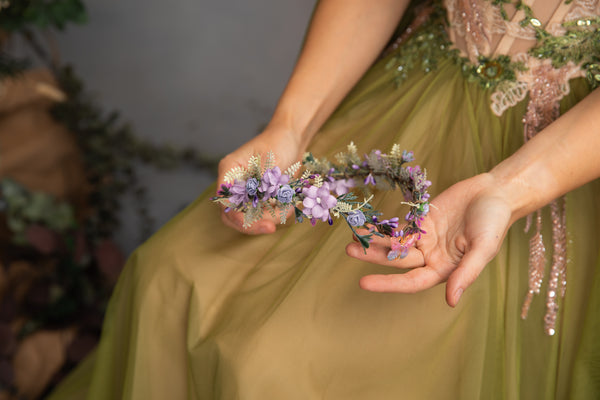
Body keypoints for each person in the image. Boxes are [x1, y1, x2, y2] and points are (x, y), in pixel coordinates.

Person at [49, 0, 600, 399]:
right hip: (421, 88)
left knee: (279, 370)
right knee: (170, 277)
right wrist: (290, 127)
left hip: (563, 156)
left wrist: (509, 189)